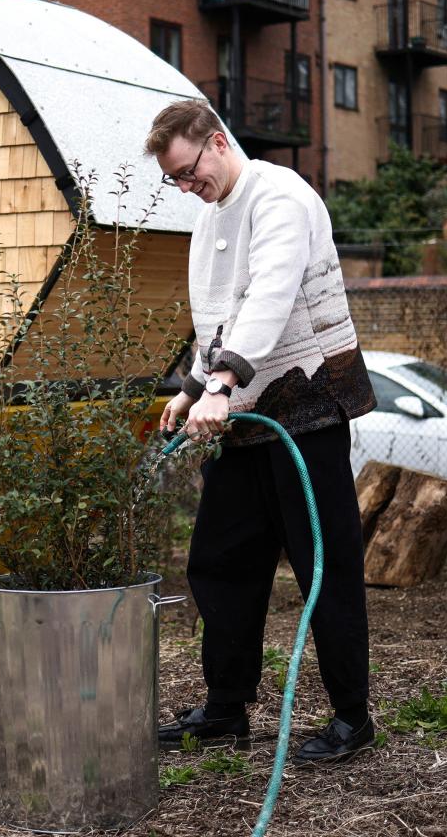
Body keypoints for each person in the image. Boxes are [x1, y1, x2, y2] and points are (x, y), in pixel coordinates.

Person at [147, 99, 378, 764]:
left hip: (307, 410)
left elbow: (271, 294)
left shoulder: (280, 198)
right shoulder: (209, 218)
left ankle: (352, 718)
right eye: (176, 181)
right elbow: (220, 318)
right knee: (218, 562)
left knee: (324, 566)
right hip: (245, 418)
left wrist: (219, 386)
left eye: (189, 171)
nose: (187, 187)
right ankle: (226, 709)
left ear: (217, 142)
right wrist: (192, 387)